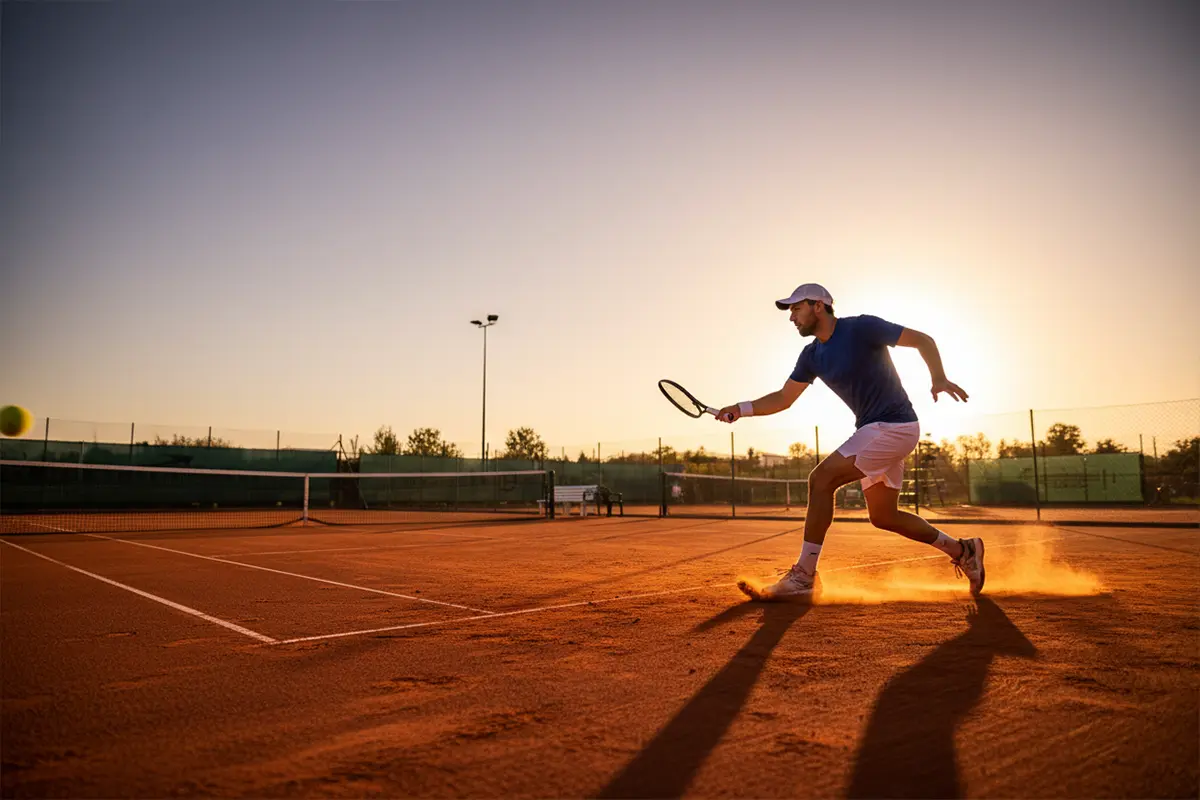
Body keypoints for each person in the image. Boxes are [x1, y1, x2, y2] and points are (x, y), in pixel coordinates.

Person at [716, 283, 984, 600]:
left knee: (821, 479)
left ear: (819, 306)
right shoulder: (812, 355)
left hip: (894, 426)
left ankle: (803, 577)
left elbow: (923, 340)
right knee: (883, 516)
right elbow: (784, 398)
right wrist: (741, 410)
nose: (792, 317)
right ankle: (963, 550)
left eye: (796, 308)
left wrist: (938, 378)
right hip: (877, 431)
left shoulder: (861, 327)